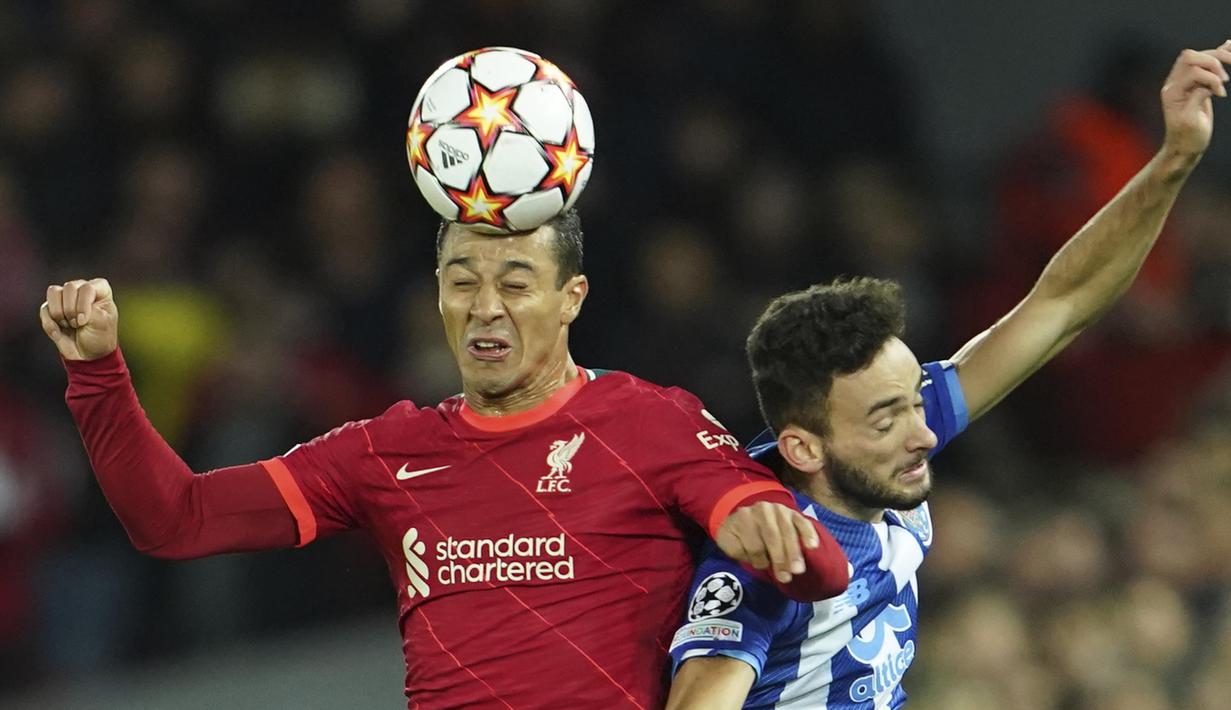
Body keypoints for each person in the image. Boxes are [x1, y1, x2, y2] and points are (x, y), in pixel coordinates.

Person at [39, 208, 849, 708]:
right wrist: (98, 375)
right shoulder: (385, 451)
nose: (485, 307)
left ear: (572, 298)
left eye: (516, 283)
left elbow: (818, 567)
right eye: (462, 281)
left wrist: (774, 538)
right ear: (435, 293)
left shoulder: (649, 420)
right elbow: (173, 520)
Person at [665, 42, 1231, 709]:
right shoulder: (769, 560)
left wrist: (1170, 161)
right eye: (886, 419)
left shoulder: (896, 447)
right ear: (802, 448)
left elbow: (1063, 303)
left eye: (912, 404)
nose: (924, 433)